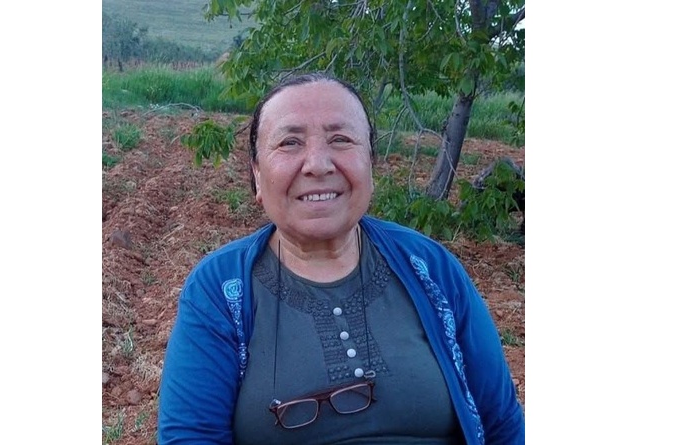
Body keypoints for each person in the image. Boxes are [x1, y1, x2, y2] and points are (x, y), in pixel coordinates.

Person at [158, 72, 525, 444]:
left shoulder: (430, 266)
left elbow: (502, 422)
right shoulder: (220, 289)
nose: (318, 164)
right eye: (289, 142)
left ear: (370, 163)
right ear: (256, 173)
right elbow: (191, 436)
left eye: (341, 140)